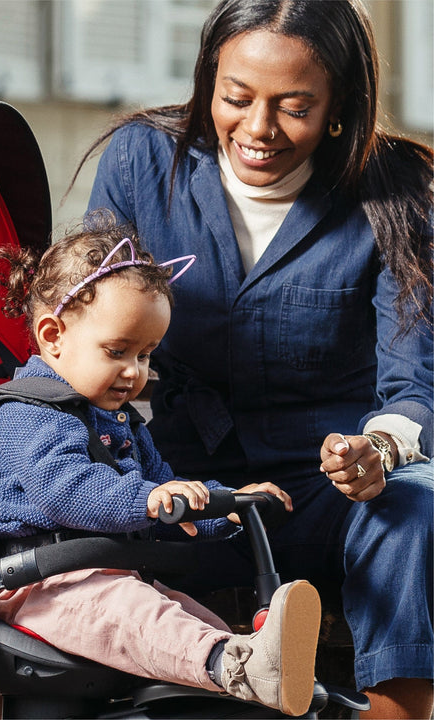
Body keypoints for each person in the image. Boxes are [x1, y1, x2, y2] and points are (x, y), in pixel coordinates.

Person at [79, 1, 433, 718]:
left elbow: (414, 380)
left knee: (415, 506)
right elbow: (90, 325)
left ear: (339, 107)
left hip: (334, 493)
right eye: (236, 98)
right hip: (180, 486)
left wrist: (379, 450)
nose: (259, 129)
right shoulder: (142, 162)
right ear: (210, 79)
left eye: (295, 106)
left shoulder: (396, 190)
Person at [0, 215, 322, 717]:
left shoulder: (118, 421)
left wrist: (223, 509)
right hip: (37, 589)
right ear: (53, 336)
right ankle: (240, 664)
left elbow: (164, 485)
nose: (134, 372)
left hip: (100, 578)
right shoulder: (27, 415)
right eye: (118, 351)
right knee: (141, 615)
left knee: (186, 617)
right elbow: (68, 489)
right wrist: (148, 501)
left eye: (147, 354)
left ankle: (252, 666)